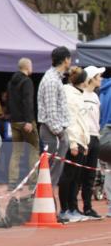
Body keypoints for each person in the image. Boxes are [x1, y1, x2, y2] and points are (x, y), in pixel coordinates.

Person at [37, 45, 71, 192]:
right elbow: (51, 111)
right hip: (52, 132)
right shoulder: (52, 80)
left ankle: (47, 202)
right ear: (65, 60)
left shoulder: (54, 78)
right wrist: (60, 133)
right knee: (50, 172)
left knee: (52, 171)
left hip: (53, 131)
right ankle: (44, 203)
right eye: (69, 59)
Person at [58, 66, 90, 222]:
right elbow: (70, 121)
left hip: (81, 140)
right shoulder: (69, 95)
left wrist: (85, 141)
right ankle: (65, 209)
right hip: (73, 141)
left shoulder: (79, 95)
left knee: (76, 178)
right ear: (82, 81)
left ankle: (72, 207)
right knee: (68, 176)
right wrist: (73, 143)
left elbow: (82, 121)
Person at [7, 57, 39, 189]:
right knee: (33, 150)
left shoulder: (11, 82)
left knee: (16, 152)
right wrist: (28, 120)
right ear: (27, 67)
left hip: (14, 121)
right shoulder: (27, 82)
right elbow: (28, 102)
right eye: (31, 65)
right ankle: (33, 182)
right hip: (26, 121)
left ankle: (12, 182)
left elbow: (10, 102)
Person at [80, 66, 105, 219]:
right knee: (78, 174)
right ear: (91, 78)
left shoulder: (96, 96)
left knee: (91, 174)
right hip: (84, 137)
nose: (101, 79)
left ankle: (88, 207)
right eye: (98, 76)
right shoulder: (81, 95)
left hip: (95, 136)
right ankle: (72, 207)